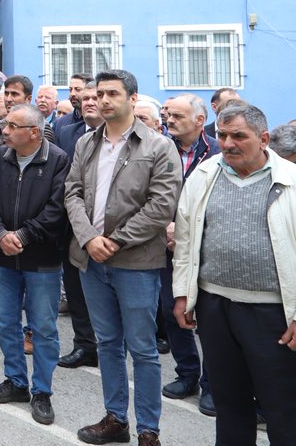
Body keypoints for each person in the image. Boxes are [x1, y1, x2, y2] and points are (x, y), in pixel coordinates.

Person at [64, 69, 181, 446]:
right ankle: (116, 419)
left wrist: (113, 241)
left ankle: (149, 430)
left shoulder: (158, 146)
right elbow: (72, 194)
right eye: (99, 93)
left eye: (112, 93)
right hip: (91, 261)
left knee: (143, 350)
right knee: (108, 344)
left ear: (132, 98)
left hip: (136, 263)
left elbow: (162, 206)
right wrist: (88, 238)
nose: (102, 100)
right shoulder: (87, 143)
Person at [173, 103, 296, 446]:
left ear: (264, 139)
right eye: (222, 135)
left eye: (238, 136)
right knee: (230, 405)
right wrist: (184, 293)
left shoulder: (290, 179)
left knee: (283, 409)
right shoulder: (205, 174)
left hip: (274, 314)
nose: (227, 144)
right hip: (215, 307)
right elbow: (185, 238)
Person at [0, 104, 70, 426]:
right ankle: (16, 381)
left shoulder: (58, 159)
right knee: (5, 322)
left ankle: (42, 391)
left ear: (33, 132)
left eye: (12, 126)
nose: (4, 131)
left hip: (41, 258)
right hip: (3, 255)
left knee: (43, 328)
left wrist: (24, 235)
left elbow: (57, 208)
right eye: (5, 125)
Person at [158, 94, 218, 413]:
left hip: (206, 248)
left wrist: (186, 232)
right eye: (168, 116)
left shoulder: (218, 154)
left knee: (208, 318)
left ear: (199, 119)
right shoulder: (159, 150)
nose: (169, 121)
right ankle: (187, 374)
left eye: (178, 116)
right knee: (171, 311)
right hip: (165, 247)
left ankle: (211, 384)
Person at [55, 82, 102, 370]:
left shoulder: (121, 138)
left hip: (108, 229)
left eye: (95, 97)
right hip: (71, 223)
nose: (89, 102)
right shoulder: (65, 131)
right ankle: (84, 345)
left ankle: (113, 347)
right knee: (75, 287)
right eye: (84, 98)